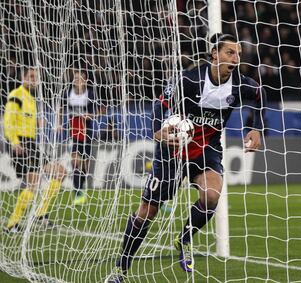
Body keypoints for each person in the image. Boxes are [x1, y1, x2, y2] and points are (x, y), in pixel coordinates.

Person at [105, 33, 267, 283]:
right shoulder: (189, 79)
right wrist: (158, 130)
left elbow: (258, 94)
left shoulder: (241, 84)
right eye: (229, 53)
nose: (235, 58)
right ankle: (121, 268)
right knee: (147, 210)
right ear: (215, 53)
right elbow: (160, 104)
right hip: (172, 150)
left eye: (238, 54)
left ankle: (184, 240)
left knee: (212, 196)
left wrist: (256, 127)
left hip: (206, 151)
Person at [4, 66, 67, 232]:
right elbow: (8, 121)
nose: (34, 80)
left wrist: (38, 124)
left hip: (31, 144)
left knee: (60, 173)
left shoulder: (31, 99)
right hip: (21, 144)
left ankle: (39, 213)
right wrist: (15, 142)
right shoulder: (16, 95)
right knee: (34, 183)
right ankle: (13, 223)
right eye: (30, 77)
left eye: (35, 77)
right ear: (23, 78)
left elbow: (24, 120)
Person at [57, 69, 103, 205]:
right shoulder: (68, 93)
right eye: (76, 78)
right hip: (73, 130)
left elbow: (101, 110)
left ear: (85, 81)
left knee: (84, 164)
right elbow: (60, 109)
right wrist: (58, 124)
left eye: (80, 79)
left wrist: (92, 116)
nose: (78, 81)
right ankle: (76, 192)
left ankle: (80, 188)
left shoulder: (90, 94)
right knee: (75, 160)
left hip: (87, 130)